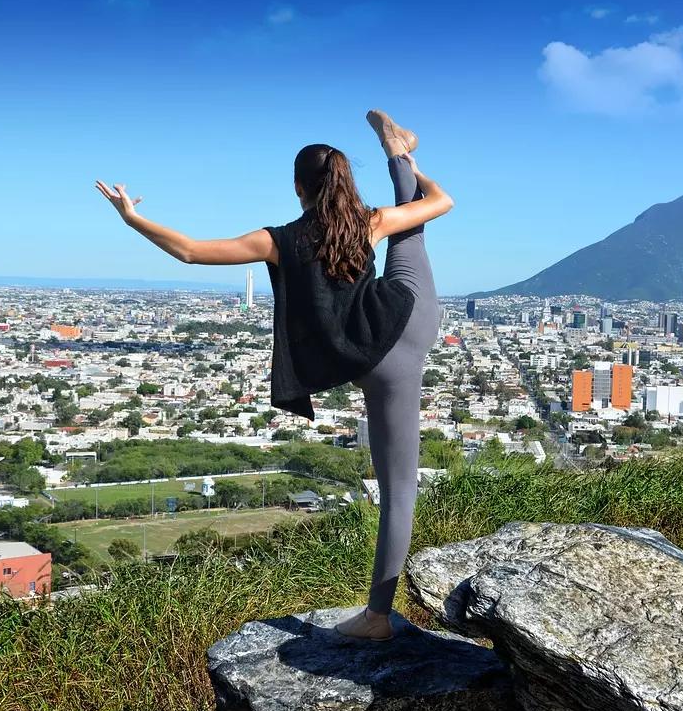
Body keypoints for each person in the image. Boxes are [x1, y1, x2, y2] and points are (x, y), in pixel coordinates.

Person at [95, 109, 452, 641]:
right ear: (344, 184)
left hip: (377, 363)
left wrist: (132, 218)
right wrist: (409, 167)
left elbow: (191, 252)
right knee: (413, 232)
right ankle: (396, 148)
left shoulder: (277, 240)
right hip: (411, 313)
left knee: (397, 492)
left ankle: (378, 616)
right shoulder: (369, 221)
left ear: (297, 187)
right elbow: (441, 202)